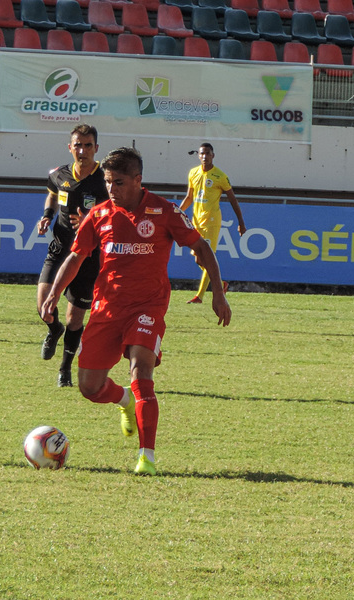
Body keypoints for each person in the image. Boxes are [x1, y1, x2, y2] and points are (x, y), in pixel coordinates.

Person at [41, 147, 231, 475]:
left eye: (117, 182)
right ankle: (125, 402)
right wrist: (54, 294)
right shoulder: (99, 215)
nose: (110, 189)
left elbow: (201, 246)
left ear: (137, 181)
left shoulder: (164, 211)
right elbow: (75, 257)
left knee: (142, 372)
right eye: (108, 182)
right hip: (106, 309)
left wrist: (217, 293)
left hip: (148, 307)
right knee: (90, 387)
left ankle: (147, 456)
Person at [36, 124, 109, 388]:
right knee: (43, 306)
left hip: (88, 254)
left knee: (75, 318)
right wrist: (47, 216)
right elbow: (52, 195)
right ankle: (53, 330)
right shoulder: (59, 174)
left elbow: (116, 211)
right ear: (70, 147)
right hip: (60, 247)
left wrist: (92, 220)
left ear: (96, 148)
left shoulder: (105, 180)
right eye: (78, 145)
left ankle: (64, 370)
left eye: (88, 145)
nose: (82, 150)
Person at [179, 143, 246, 304]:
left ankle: (199, 296)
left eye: (208, 153)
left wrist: (241, 222)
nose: (204, 156)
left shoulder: (220, 176)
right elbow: (189, 197)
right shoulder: (193, 173)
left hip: (212, 221)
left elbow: (233, 200)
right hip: (196, 221)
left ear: (213, 155)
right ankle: (221, 284)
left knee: (208, 257)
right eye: (202, 153)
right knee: (198, 259)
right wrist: (177, 212)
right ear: (198, 155)